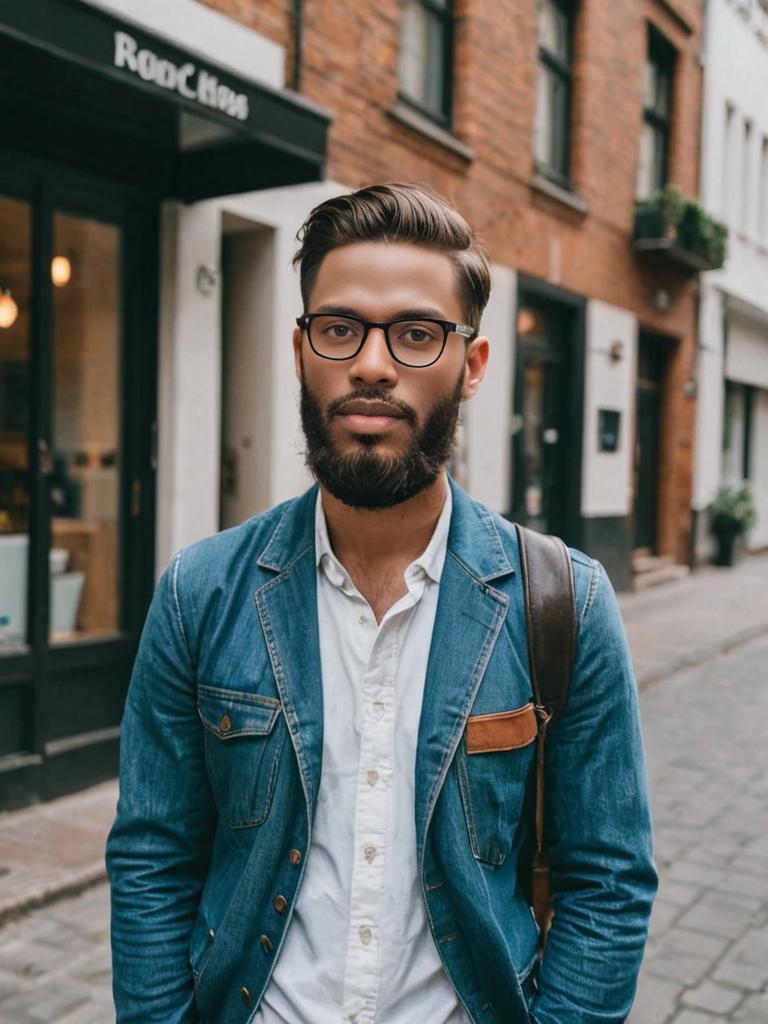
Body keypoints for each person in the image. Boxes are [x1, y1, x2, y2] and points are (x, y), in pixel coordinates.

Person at [107, 183, 657, 1024]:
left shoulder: (564, 602)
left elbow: (608, 882)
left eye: (415, 333)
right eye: (340, 329)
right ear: (300, 351)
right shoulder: (200, 592)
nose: (371, 363)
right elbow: (153, 857)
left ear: (471, 365)